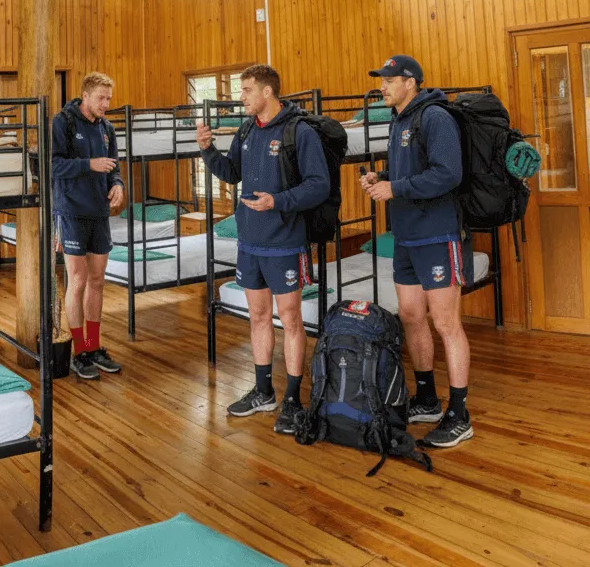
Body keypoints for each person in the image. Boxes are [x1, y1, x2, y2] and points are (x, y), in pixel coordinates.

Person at [197, 64, 330, 433]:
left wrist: (279, 201)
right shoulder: (245, 130)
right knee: (257, 316)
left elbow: (319, 185)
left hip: (285, 241)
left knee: (290, 318)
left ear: (267, 92)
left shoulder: (297, 131)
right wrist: (207, 151)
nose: (241, 96)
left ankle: (291, 398)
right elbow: (231, 173)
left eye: (247, 90)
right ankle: (262, 391)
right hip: (249, 242)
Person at [361, 55, 473, 448]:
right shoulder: (399, 121)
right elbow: (413, 172)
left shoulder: (435, 117)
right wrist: (385, 177)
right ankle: (426, 398)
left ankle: (459, 414)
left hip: (437, 235)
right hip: (406, 236)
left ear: (411, 82)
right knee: (411, 316)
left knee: (446, 323)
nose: (383, 86)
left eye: (389, 80)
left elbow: (447, 174)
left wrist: (395, 189)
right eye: (381, 80)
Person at [52, 72, 126, 380]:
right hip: (71, 212)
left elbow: (114, 166)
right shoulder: (63, 122)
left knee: (97, 280)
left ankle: (94, 347)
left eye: (108, 98)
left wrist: (118, 184)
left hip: (99, 213)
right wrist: (88, 165)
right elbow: (52, 165)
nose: (106, 104)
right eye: (101, 98)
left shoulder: (107, 128)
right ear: (85, 96)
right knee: (78, 281)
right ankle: (79, 351)